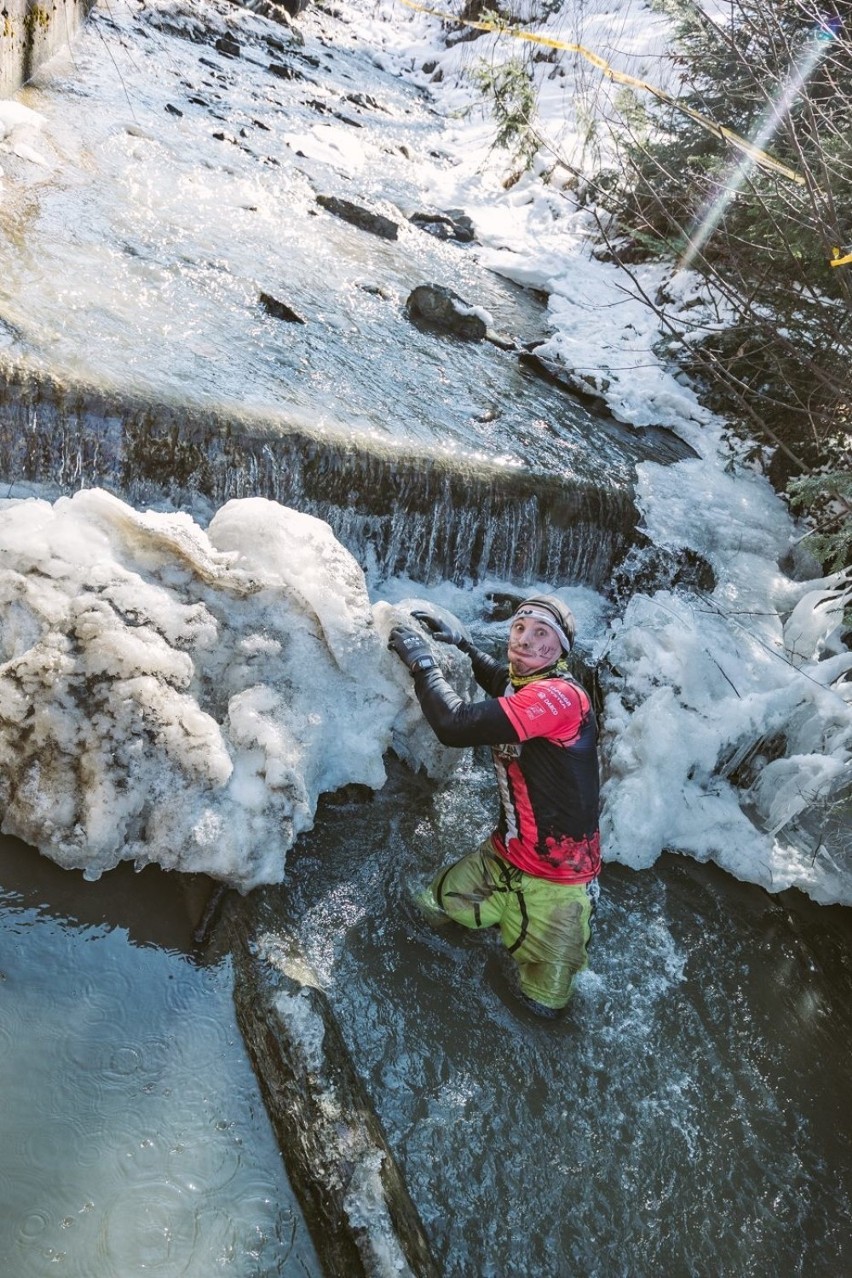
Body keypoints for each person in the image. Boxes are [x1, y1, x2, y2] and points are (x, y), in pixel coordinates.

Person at [388, 595, 601, 1017]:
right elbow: (500, 679)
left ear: (560, 649)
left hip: (558, 885)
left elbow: (454, 724)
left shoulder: (561, 697)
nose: (524, 639)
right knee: (426, 910)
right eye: (519, 628)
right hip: (504, 856)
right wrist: (464, 645)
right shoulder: (527, 686)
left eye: (541, 633)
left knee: (545, 1006)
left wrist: (422, 664)